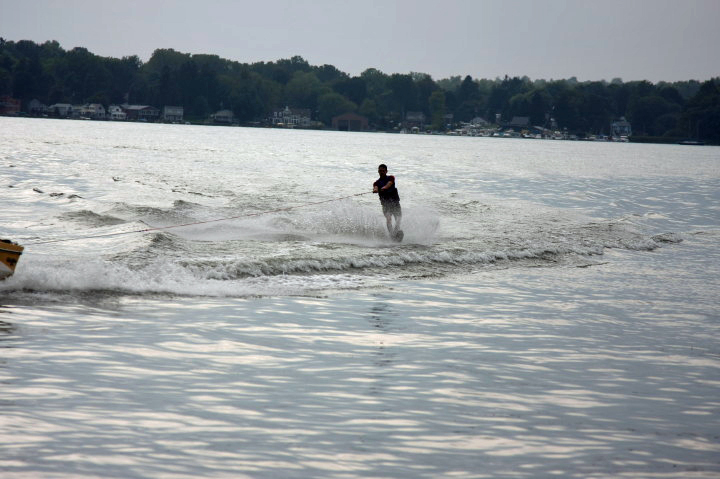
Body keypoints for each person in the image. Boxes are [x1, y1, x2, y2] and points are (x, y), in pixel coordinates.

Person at [373, 164, 402, 240]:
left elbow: (389, 184)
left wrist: (384, 188)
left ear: (386, 171)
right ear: (378, 171)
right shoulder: (376, 183)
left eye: (383, 171)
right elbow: (375, 187)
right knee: (388, 219)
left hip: (395, 203)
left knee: (398, 219)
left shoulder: (391, 178)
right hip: (386, 205)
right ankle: (392, 235)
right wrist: (375, 190)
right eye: (380, 171)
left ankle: (396, 233)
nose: (381, 172)